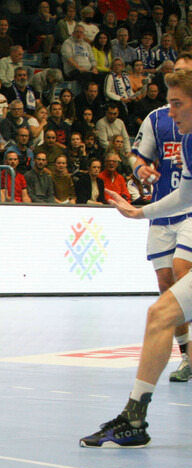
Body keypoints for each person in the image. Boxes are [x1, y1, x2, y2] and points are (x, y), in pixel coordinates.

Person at [80, 69, 192, 446]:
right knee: (160, 312)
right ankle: (134, 418)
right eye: (170, 104)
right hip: (168, 219)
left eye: (178, 104)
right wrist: (139, 211)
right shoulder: (189, 142)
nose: (172, 113)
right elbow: (184, 197)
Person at [129, 51, 192, 381]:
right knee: (166, 284)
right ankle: (187, 355)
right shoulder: (157, 118)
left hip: (190, 211)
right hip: (164, 208)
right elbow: (136, 157)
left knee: (184, 273)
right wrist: (141, 171)